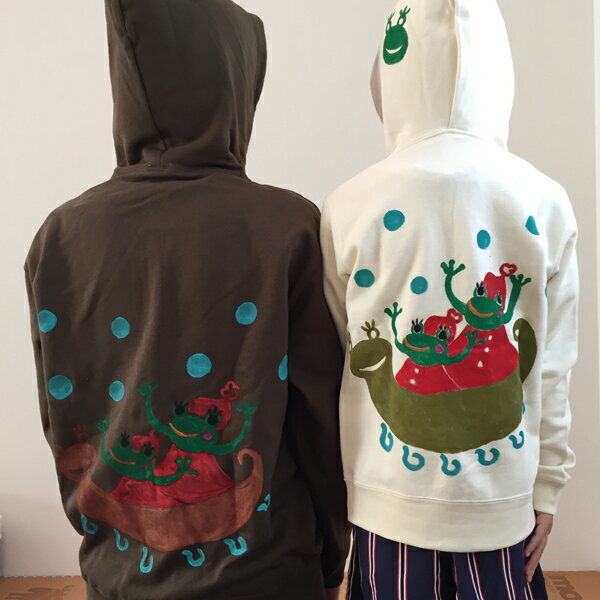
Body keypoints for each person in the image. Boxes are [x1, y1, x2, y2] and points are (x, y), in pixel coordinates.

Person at [25, 1, 349, 598]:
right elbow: (321, 426)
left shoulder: (59, 237)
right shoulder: (288, 227)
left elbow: (62, 418)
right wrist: (332, 560)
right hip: (269, 576)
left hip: (119, 576)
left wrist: (106, 546)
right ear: (237, 85)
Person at [321, 1, 578, 598]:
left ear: (390, 76)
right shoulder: (546, 200)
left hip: (386, 506)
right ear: (501, 72)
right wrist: (548, 487)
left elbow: (338, 359)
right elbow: (553, 366)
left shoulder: (349, 203)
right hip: (504, 502)